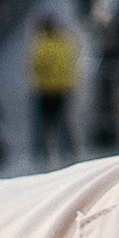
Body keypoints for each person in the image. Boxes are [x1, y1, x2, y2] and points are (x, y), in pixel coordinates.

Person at [29, 16, 77, 167]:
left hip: (44, 88)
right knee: (63, 120)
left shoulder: (40, 43)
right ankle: (68, 151)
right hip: (63, 87)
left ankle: (41, 153)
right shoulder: (64, 41)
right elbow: (71, 60)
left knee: (44, 122)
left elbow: (35, 64)